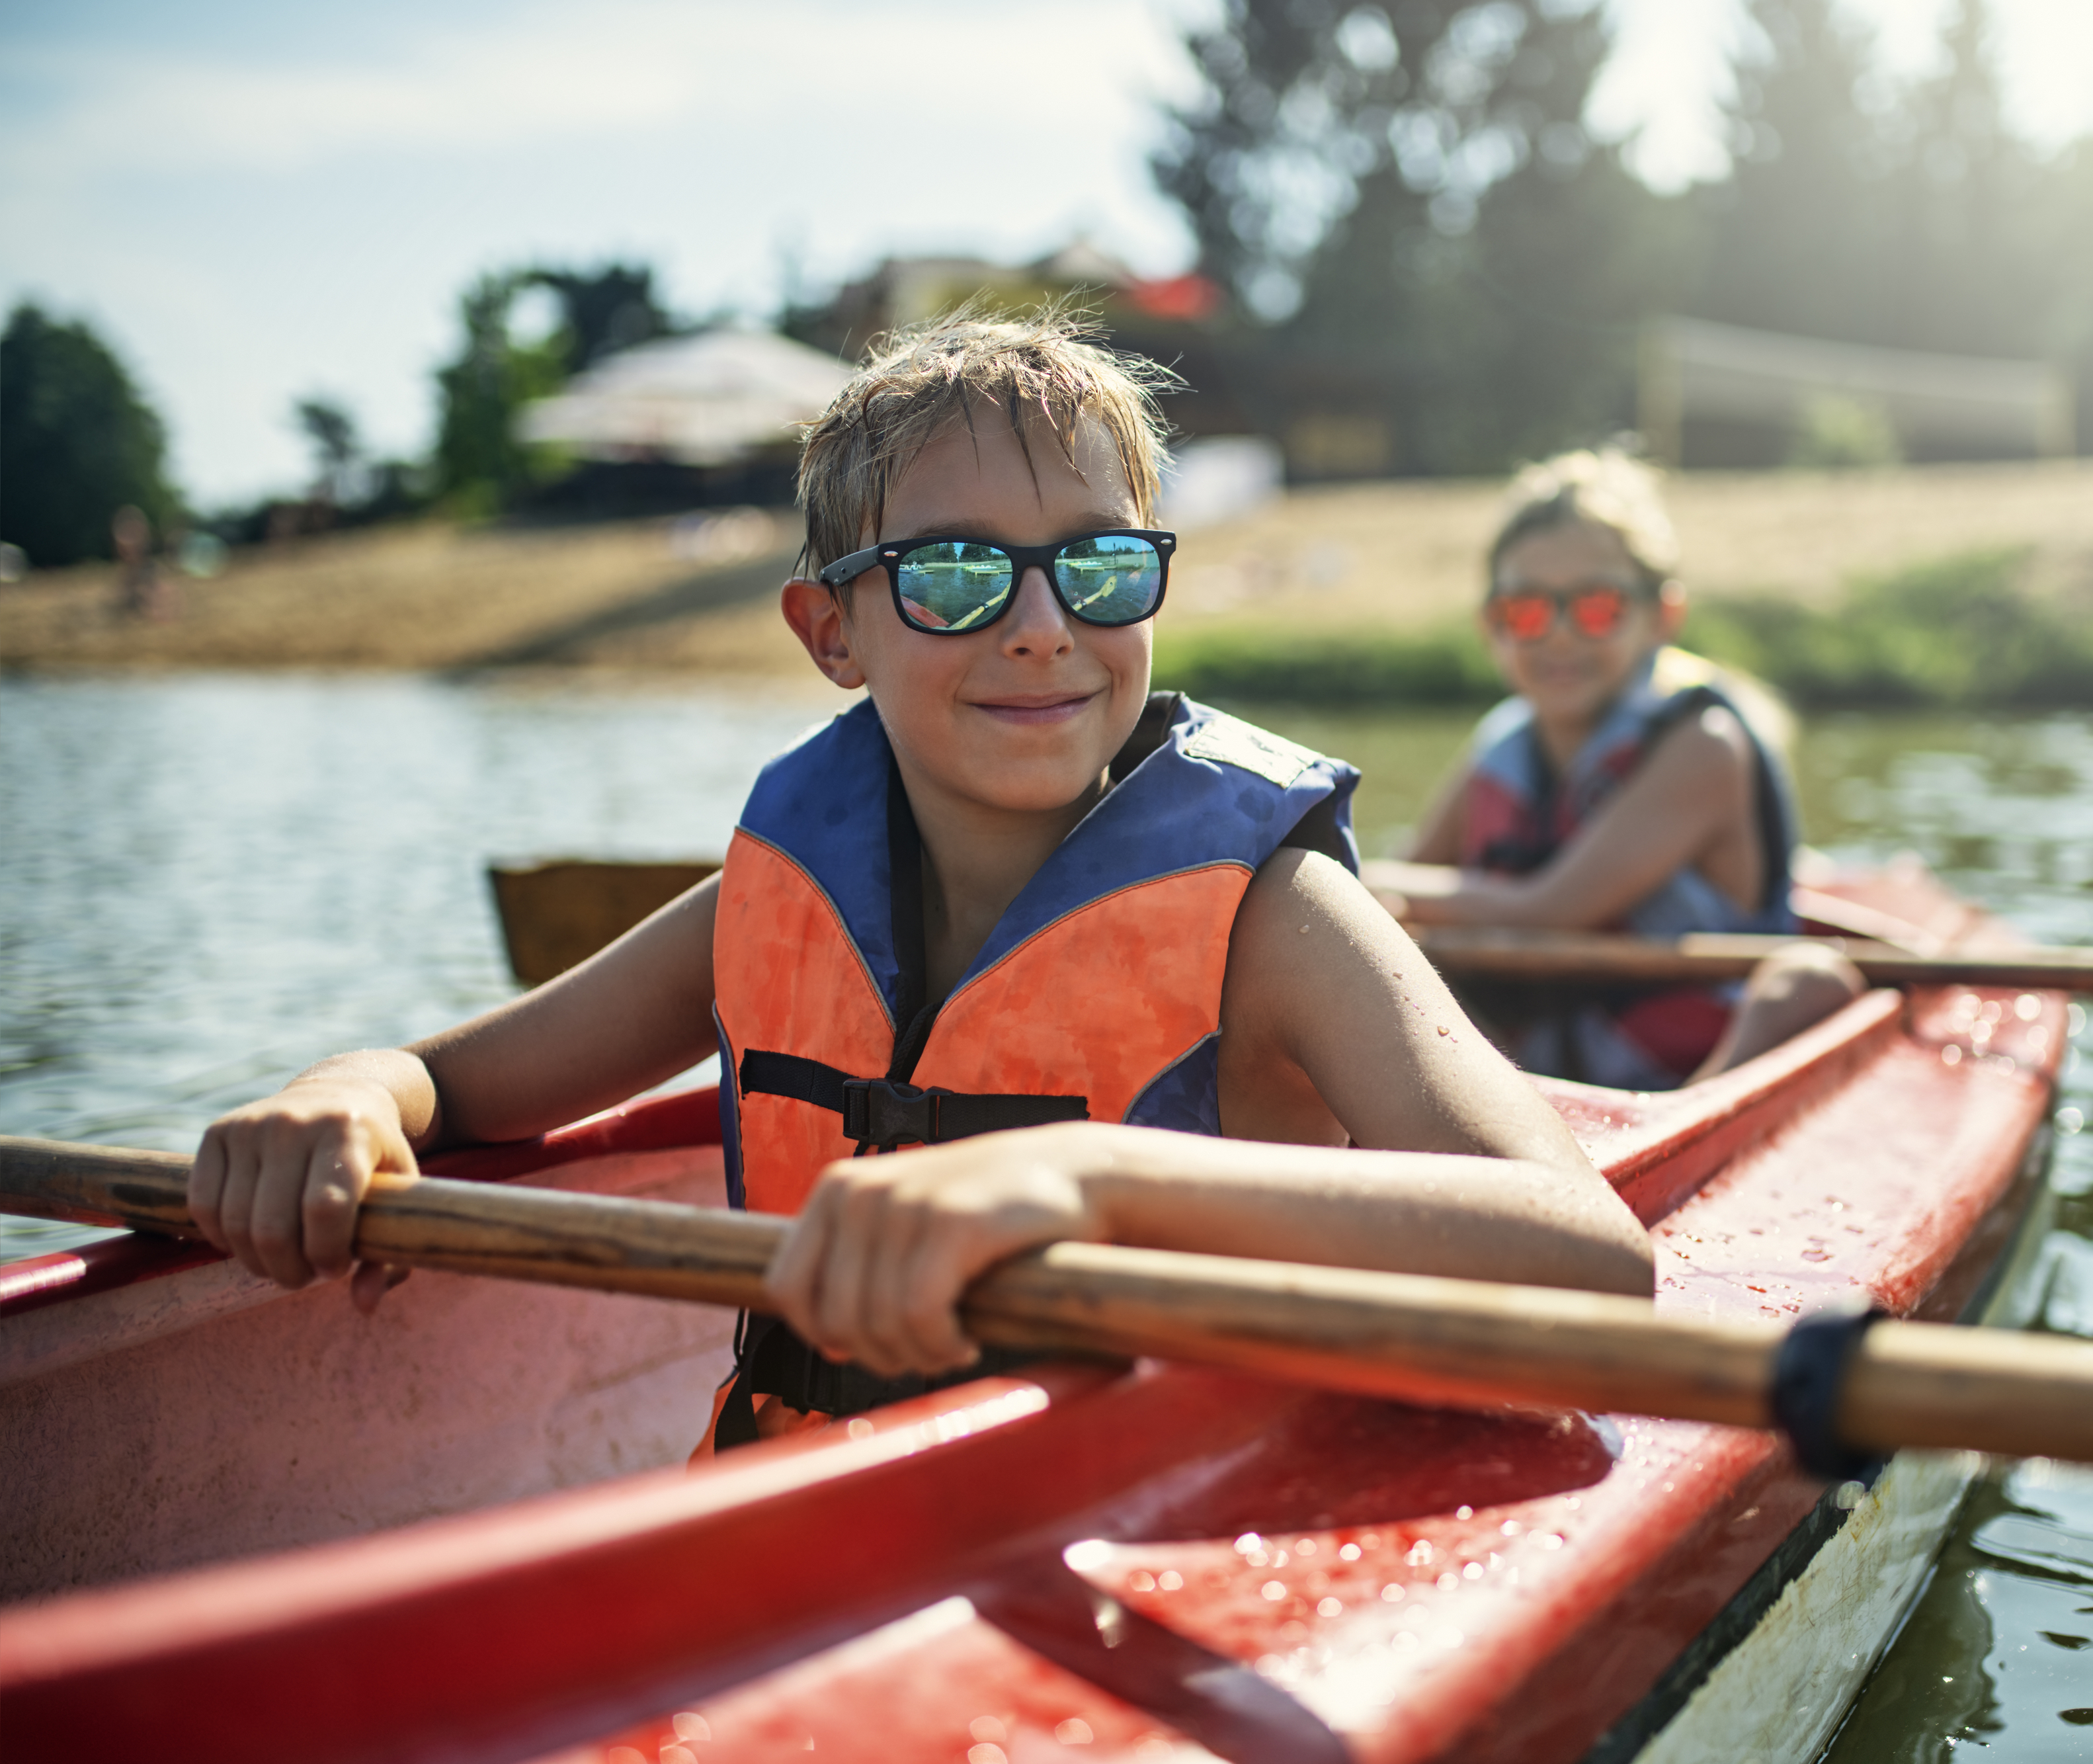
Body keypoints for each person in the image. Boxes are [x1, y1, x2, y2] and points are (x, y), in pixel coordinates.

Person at [186, 310, 1652, 1457]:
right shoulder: (772, 895)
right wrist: (354, 1090)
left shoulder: (1273, 919)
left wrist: (1085, 1173)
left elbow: (1588, 1263)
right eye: (954, 575)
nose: (1037, 629)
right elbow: (457, 1082)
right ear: (830, 631)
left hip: (1158, 1523)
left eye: (1097, 569)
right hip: (810, 1519)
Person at [1374, 449, 1861, 1089]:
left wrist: (1369, 885)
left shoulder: (1701, 745)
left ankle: (1693, 1127)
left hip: (1689, 1061)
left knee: (1806, 982)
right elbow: (1417, 872)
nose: (1558, 635)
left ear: (1663, 615)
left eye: (1597, 606)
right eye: (1525, 610)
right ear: (1489, 623)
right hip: (1541, 1056)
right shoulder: (1503, 743)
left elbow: (1547, 909)